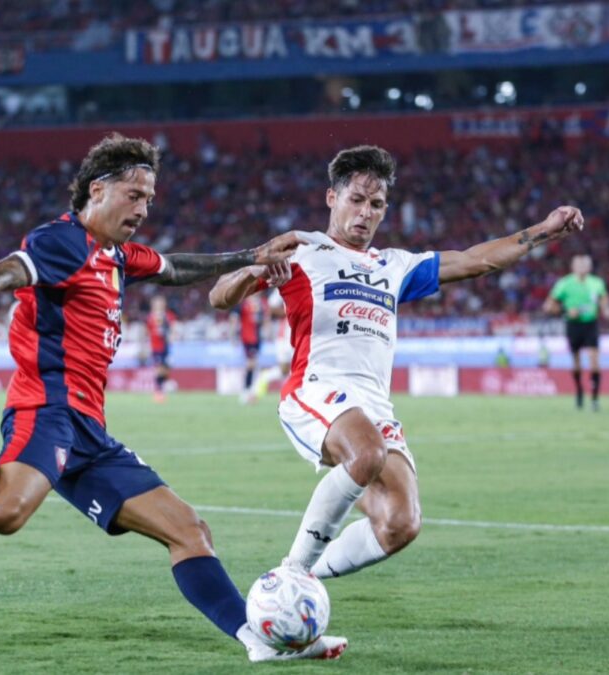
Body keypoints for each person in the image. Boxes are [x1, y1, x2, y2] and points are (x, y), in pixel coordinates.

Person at [0, 134, 344, 662]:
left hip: (89, 429)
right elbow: (14, 267)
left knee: (189, 530)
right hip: (45, 406)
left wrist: (251, 256)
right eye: (134, 194)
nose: (143, 207)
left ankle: (259, 642)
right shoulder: (63, 241)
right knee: (3, 510)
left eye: (149, 199)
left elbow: (176, 268)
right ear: (99, 188)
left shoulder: (118, 256)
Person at [209, 145, 584, 582]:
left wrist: (545, 230)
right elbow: (220, 296)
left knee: (400, 523)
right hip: (315, 390)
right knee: (366, 451)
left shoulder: (394, 266)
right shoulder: (300, 250)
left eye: (377, 204)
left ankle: (304, 583)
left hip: (373, 405)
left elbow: (475, 261)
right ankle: (290, 576)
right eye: (356, 200)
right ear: (332, 198)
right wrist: (255, 264)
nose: (366, 213)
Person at [543, 254, 609, 411]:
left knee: (594, 359)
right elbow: (548, 306)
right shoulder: (564, 284)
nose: (582, 268)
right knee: (576, 363)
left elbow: (604, 300)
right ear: (573, 267)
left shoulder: (597, 283)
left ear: (589, 267)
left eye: (585, 265)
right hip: (573, 325)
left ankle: (595, 398)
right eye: (579, 265)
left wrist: (607, 309)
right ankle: (579, 391)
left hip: (591, 324)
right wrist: (564, 310)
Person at [254, 288, 293, 398]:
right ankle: (265, 377)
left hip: (304, 335)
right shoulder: (286, 284)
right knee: (284, 370)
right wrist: (292, 311)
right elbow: (271, 308)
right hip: (285, 336)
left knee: (298, 368)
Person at [145, 294, 177, 403]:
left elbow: (173, 328)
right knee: (159, 369)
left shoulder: (168, 315)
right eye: (157, 303)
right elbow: (148, 332)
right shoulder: (150, 317)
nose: (159, 305)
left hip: (166, 346)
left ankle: (162, 389)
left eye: (160, 303)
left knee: (165, 370)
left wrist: (172, 337)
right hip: (156, 347)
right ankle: (158, 392)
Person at [235, 294, 265, 404]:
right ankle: (246, 391)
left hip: (257, 339)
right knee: (250, 364)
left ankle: (249, 391)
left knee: (253, 364)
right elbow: (235, 318)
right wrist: (233, 335)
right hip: (248, 338)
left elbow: (262, 320)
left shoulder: (260, 303)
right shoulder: (244, 304)